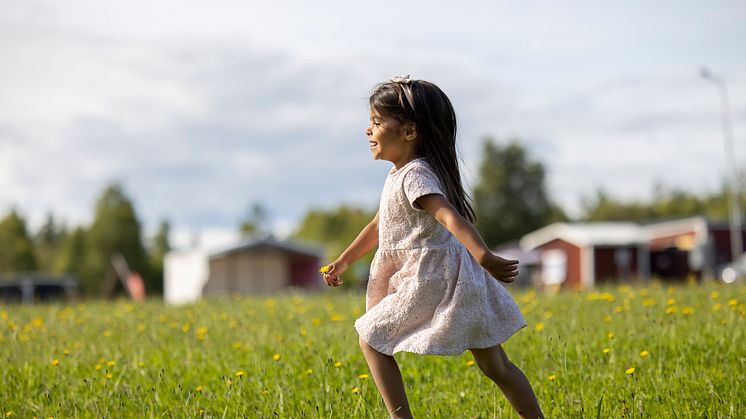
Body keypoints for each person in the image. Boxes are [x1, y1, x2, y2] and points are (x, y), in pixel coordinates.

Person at [322, 75, 544, 419]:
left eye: (377, 122)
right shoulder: (400, 174)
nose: (368, 131)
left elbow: (449, 217)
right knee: (496, 365)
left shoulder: (415, 174)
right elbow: (380, 225)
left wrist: (483, 254)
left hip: (431, 277)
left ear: (410, 132)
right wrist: (344, 260)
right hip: (457, 279)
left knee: (370, 338)